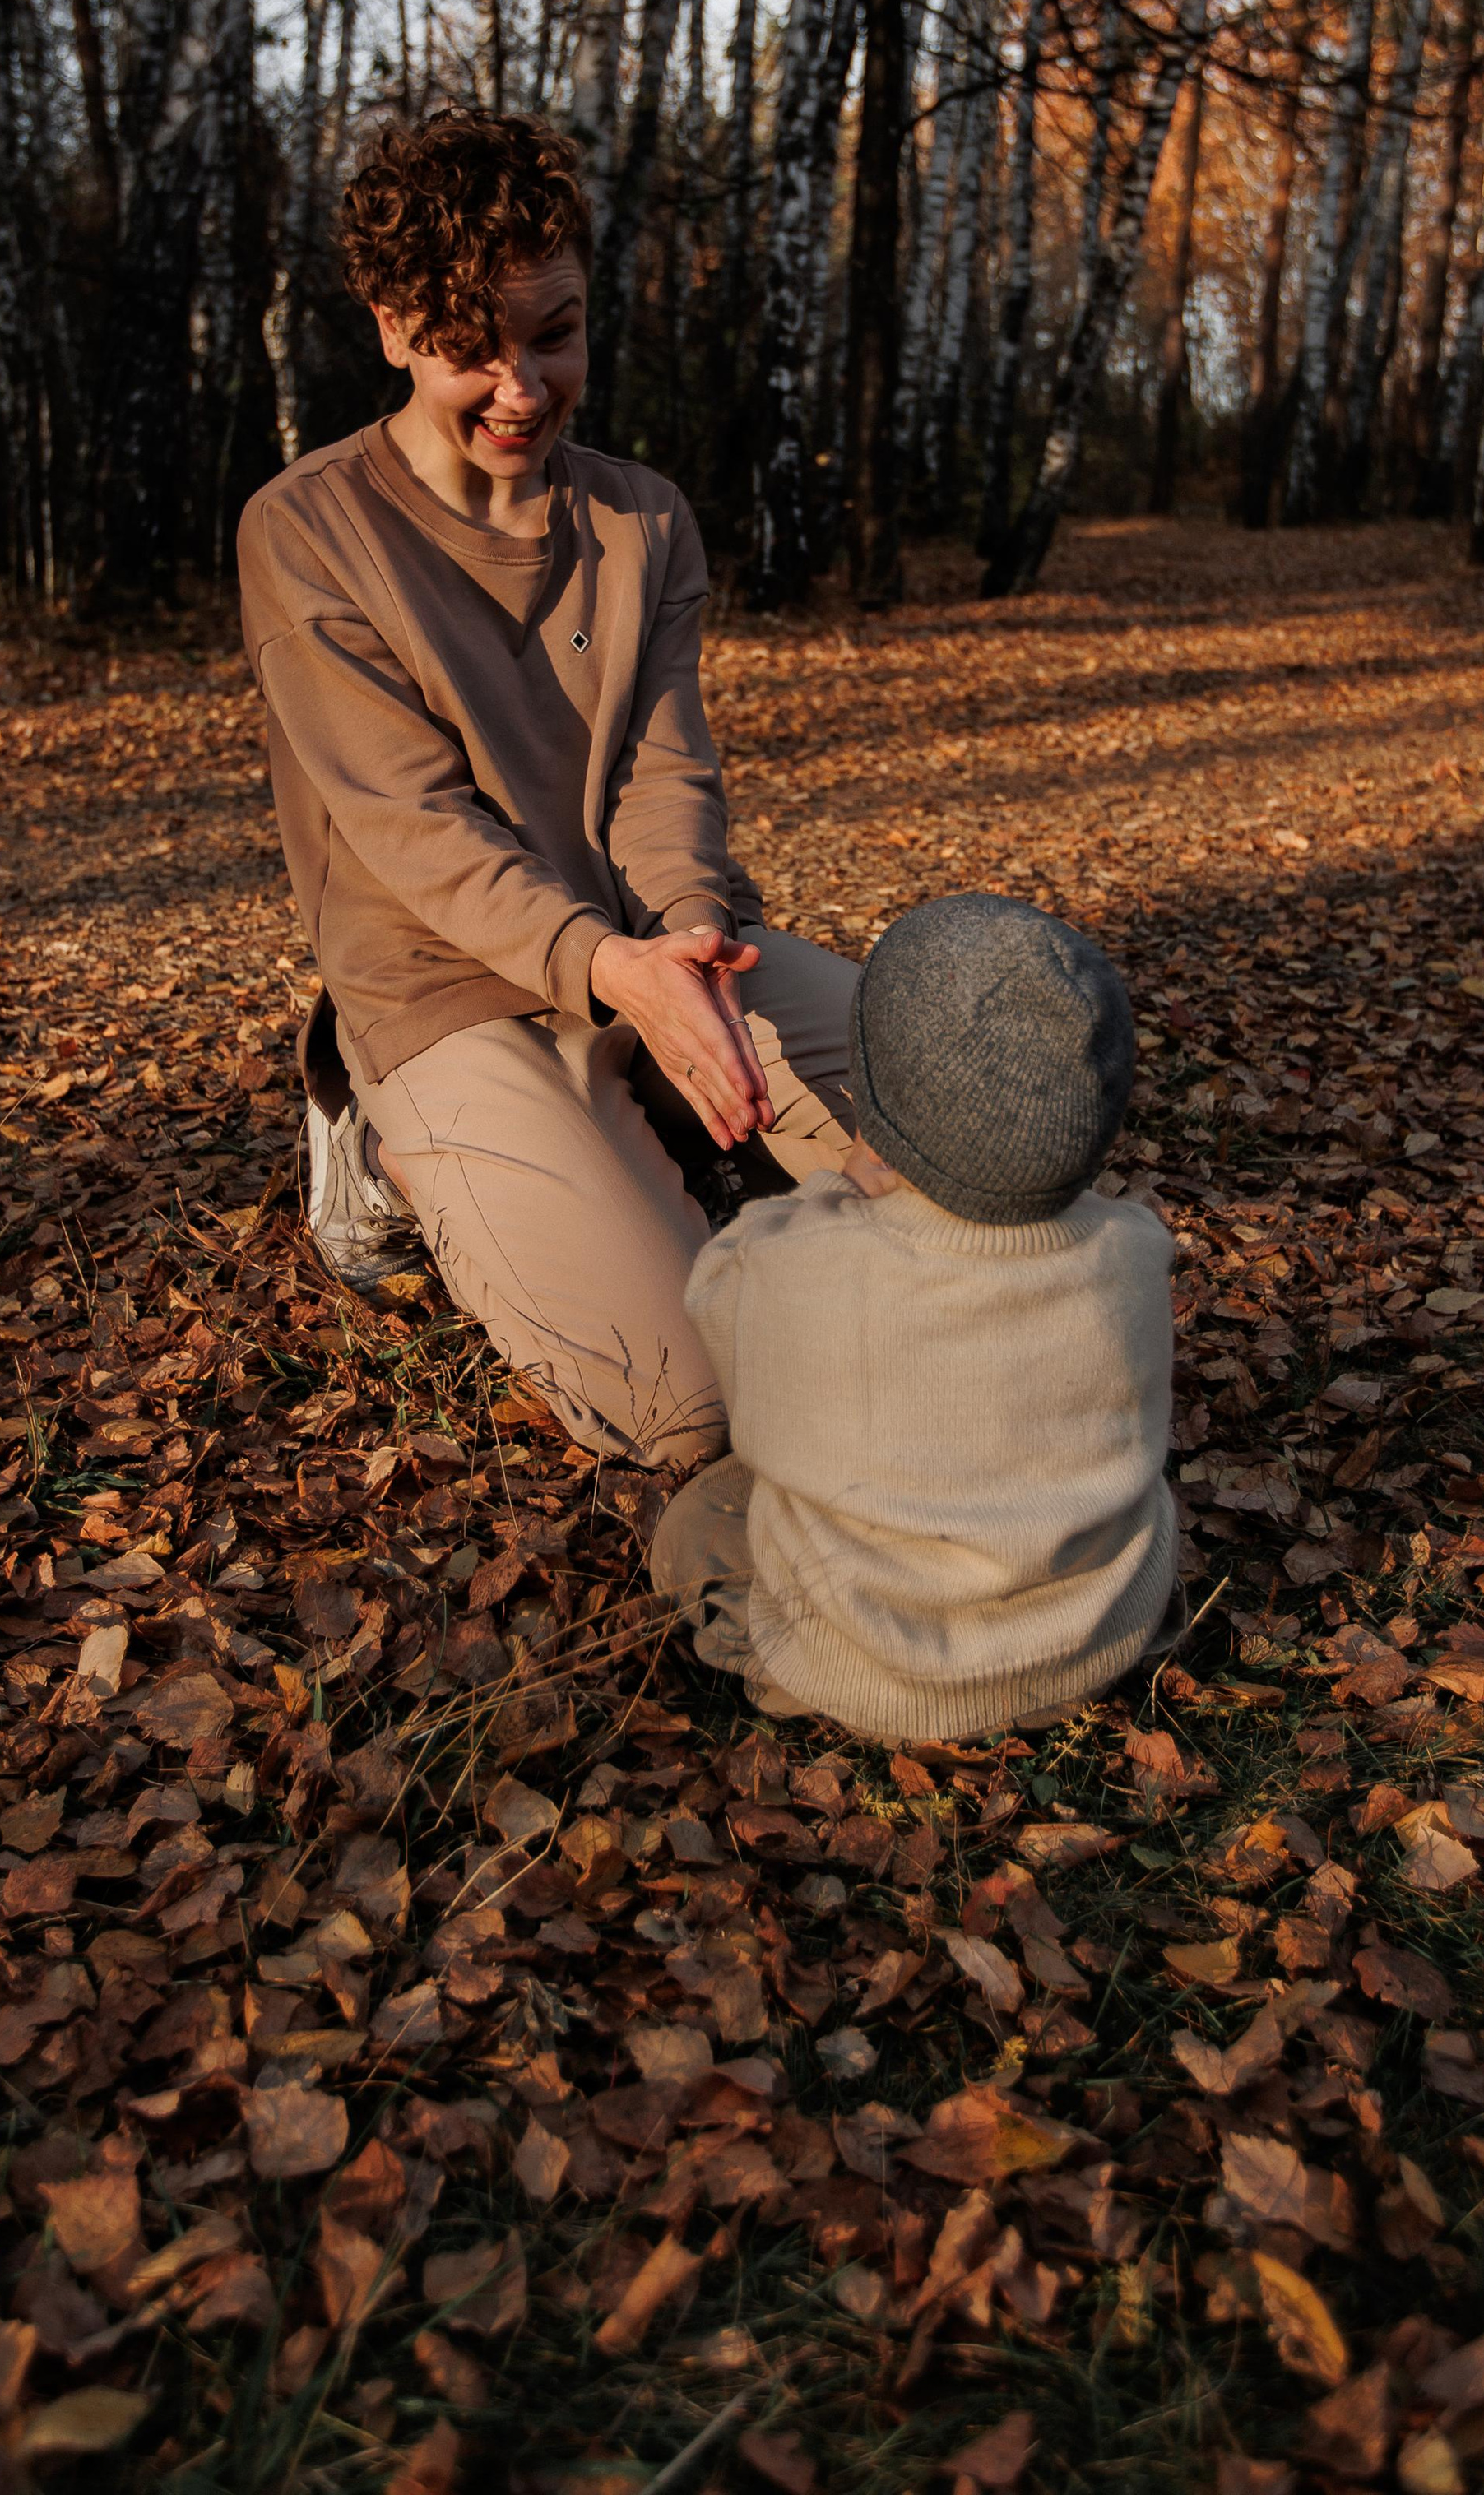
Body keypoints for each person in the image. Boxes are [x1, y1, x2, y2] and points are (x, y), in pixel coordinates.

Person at [237, 107, 859, 1466]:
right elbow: (410, 828)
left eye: (555, 335)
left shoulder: (643, 519)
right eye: (472, 349)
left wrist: (688, 932)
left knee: (966, 1157)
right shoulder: (305, 530)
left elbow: (661, 765)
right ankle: (373, 1136)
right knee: (689, 1406)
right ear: (395, 330)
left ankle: (656, 1119)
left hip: (643, 954)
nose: (522, 387)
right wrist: (607, 968)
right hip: (445, 986)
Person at [650, 893, 1180, 1743]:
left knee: (703, 1521)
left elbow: (719, 1289)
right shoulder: (1134, 1250)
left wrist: (838, 1187)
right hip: (1095, 1646)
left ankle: (812, 1674)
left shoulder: (798, 1269)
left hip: (874, 1672)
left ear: (874, 1100)